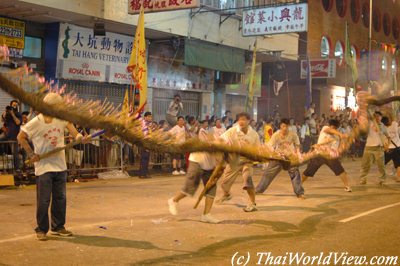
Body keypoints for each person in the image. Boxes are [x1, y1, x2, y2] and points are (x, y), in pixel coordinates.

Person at [17, 93, 90, 241]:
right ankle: (42, 229)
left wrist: (80, 138)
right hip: (44, 167)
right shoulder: (36, 122)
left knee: (60, 198)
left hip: (60, 166)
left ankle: (58, 227)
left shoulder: (60, 119)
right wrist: (31, 154)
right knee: (43, 200)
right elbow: (20, 137)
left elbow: (73, 131)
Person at [167, 123, 220, 223]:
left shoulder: (225, 144)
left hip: (210, 165)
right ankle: (174, 200)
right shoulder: (203, 132)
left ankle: (206, 215)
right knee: (190, 187)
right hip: (197, 160)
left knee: (212, 189)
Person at [216, 112, 261, 212]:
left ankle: (252, 203)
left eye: (244, 119)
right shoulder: (232, 131)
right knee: (224, 183)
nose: (241, 121)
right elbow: (221, 139)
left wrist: (256, 157)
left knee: (247, 180)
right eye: (240, 119)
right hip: (234, 161)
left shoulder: (254, 134)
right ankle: (226, 194)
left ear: (249, 121)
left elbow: (258, 149)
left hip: (247, 161)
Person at [255, 118, 305, 199]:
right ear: (280, 126)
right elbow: (270, 145)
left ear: (289, 126)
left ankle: (300, 193)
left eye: (286, 126)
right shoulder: (276, 135)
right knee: (268, 174)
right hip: (278, 157)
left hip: (290, 157)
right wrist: (271, 153)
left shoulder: (293, 134)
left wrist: (298, 154)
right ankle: (258, 190)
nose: (285, 128)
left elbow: (297, 145)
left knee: (295, 174)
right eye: (283, 126)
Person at [301, 119, 352, 192]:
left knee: (340, 170)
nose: (333, 129)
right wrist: (341, 135)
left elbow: (337, 148)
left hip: (329, 156)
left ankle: (347, 186)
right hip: (319, 154)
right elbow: (330, 130)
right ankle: (299, 184)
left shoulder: (337, 137)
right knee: (308, 171)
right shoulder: (325, 128)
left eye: (334, 128)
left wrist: (344, 143)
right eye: (332, 127)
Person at [359, 111, 387, 186]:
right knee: (365, 165)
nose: (377, 117)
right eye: (376, 116)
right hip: (368, 147)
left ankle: (382, 179)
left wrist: (386, 146)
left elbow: (387, 135)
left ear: (381, 117)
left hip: (379, 148)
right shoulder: (369, 124)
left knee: (381, 165)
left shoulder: (383, 126)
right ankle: (363, 179)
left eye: (379, 116)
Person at [1, 100, 22, 171]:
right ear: (10, 105)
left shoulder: (18, 114)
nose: (14, 106)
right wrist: (4, 114)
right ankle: (2, 152)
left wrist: (13, 114)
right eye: (13, 105)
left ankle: (17, 169)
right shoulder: (8, 114)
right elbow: (2, 121)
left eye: (16, 105)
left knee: (14, 153)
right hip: (7, 134)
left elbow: (18, 122)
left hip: (14, 136)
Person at [381, 116, 400, 182]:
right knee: (398, 164)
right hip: (397, 147)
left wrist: (385, 148)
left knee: (382, 163)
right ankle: (399, 178)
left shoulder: (384, 128)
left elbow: (384, 139)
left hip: (389, 149)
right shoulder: (395, 124)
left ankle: (382, 177)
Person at [136, 112, 154, 179]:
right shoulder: (142, 122)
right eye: (148, 116)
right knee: (144, 158)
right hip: (143, 142)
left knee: (147, 158)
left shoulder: (150, 124)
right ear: (145, 117)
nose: (150, 118)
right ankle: (142, 174)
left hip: (148, 142)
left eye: (151, 116)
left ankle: (145, 173)